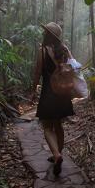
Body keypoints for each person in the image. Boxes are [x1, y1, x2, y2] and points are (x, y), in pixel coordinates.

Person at [31, 22, 74, 176]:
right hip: (63, 92)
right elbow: (73, 67)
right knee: (59, 126)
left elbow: (37, 73)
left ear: (47, 34)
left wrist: (32, 90)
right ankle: (57, 154)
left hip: (49, 93)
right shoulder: (64, 49)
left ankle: (56, 155)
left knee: (48, 127)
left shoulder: (42, 51)